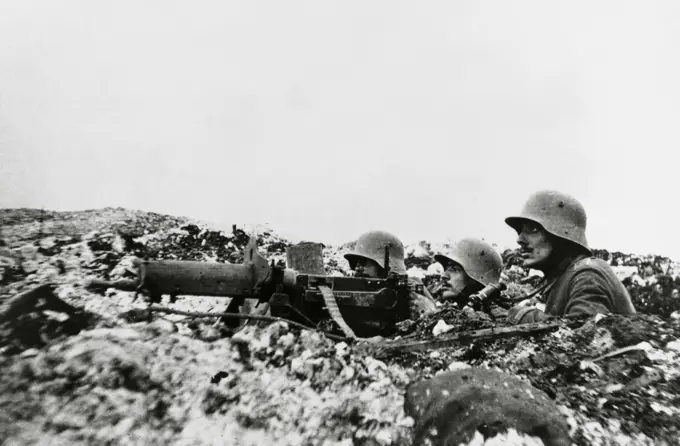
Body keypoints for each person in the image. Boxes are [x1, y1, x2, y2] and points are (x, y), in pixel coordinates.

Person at [504, 190, 636, 324]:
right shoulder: (564, 275)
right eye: (521, 230)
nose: (520, 239)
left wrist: (525, 316)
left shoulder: (587, 274)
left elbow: (584, 335)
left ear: (561, 235)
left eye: (533, 229)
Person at [344, 230, 437, 315]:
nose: (357, 268)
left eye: (363, 262)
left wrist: (419, 303)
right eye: (356, 263)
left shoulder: (408, 288)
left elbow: (431, 313)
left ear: (387, 266)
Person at [433, 238, 503, 307]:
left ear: (475, 279)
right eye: (447, 269)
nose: (444, 276)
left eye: (455, 269)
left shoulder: (496, 316)